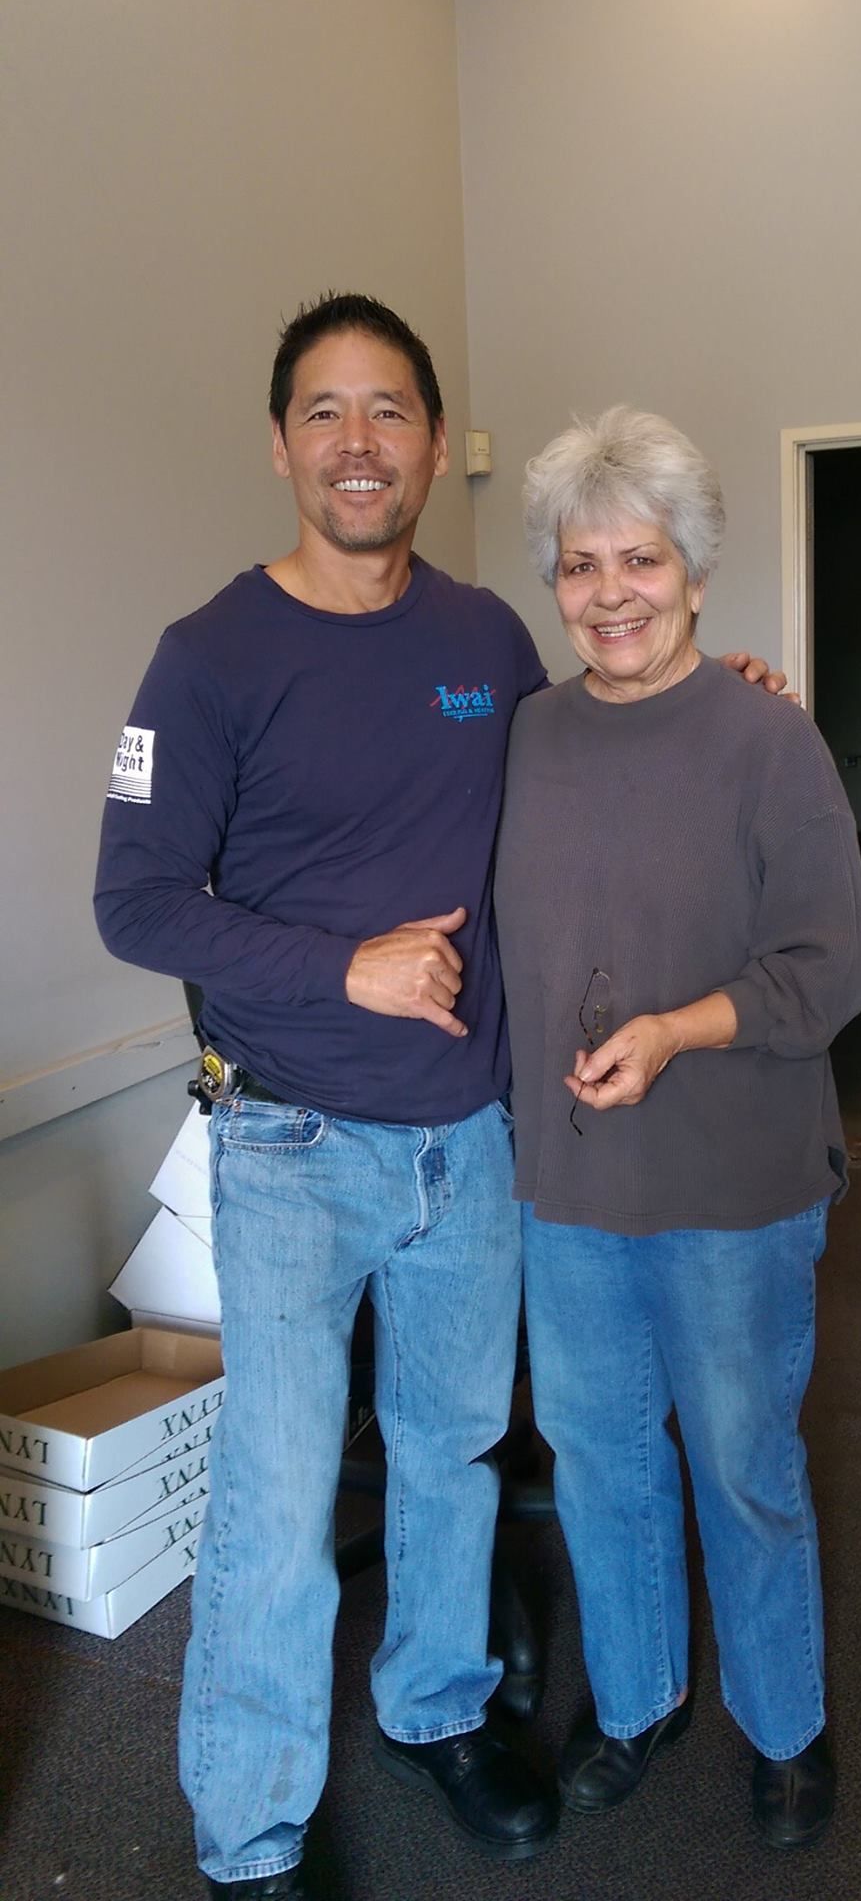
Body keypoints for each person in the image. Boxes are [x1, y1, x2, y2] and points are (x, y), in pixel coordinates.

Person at [93, 297, 788, 1899]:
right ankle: (251, 1828)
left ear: (428, 442)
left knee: (452, 1449)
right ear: (281, 446)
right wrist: (343, 968)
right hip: (289, 1141)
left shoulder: (483, 641)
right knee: (273, 1499)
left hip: (471, 1143)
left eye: (389, 410)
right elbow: (134, 903)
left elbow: (599, 741)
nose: (358, 443)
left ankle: (432, 1705)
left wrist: (717, 687)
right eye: (325, 413)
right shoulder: (207, 658)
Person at [494, 407, 861, 1852]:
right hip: (570, 1186)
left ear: (695, 572)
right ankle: (639, 1698)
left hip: (734, 1186)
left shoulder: (768, 739)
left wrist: (672, 1031)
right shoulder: (526, 735)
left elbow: (830, 967)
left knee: (743, 1467)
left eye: (638, 559)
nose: (609, 594)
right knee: (599, 1458)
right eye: (579, 565)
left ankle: (784, 1728)